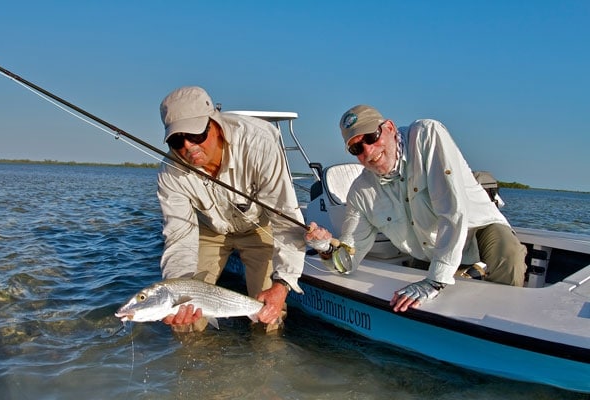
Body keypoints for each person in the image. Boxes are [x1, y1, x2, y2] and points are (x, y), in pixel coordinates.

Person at [305, 104, 527, 313]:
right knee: (412, 294)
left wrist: (435, 280)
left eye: (371, 137)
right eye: (356, 148)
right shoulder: (361, 192)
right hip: (430, 247)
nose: (368, 151)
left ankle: (508, 321)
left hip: (477, 228)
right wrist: (326, 248)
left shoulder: (426, 135)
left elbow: (454, 212)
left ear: (390, 128)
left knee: (509, 252)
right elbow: (348, 261)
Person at [157, 86, 305, 332]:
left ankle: (265, 366)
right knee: (184, 322)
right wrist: (178, 291)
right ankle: (193, 367)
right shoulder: (170, 172)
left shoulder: (260, 143)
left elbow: (286, 220)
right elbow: (179, 237)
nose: (187, 146)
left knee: (269, 316)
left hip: (259, 227)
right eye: (176, 140)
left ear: (214, 122)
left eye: (195, 135)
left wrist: (282, 285)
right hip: (210, 230)